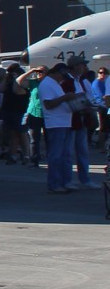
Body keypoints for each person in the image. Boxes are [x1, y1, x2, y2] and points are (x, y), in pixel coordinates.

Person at [36, 61, 81, 193]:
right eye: (62, 75)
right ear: (56, 73)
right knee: (56, 155)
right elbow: (49, 104)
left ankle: (64, 181)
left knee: (65, 155)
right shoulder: (46, 84)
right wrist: (65, 98)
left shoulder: (55, 84)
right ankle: (54, 184)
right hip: (56, 124)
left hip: (64, 122)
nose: (63, 78)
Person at [66, 56, 96, 188]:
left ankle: (85, 179)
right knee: (68, 152)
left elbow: (89, 97)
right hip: (70, 120)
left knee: (82, 150)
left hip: (82, 119)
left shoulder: (82, 81)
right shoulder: (67, 81)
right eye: (82, 65)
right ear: (75, 66)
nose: (84, 67)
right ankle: (67, 180)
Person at [0, 63, 30, 164]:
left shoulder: (23, 82)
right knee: (12, 134)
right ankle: (13, 155)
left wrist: (17, 78)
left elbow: (17, 90)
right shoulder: (8, 81)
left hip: (20, 111)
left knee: (22, 133)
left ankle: (26, 155)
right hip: (8, 110)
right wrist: (7, 78)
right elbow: (1, 89)